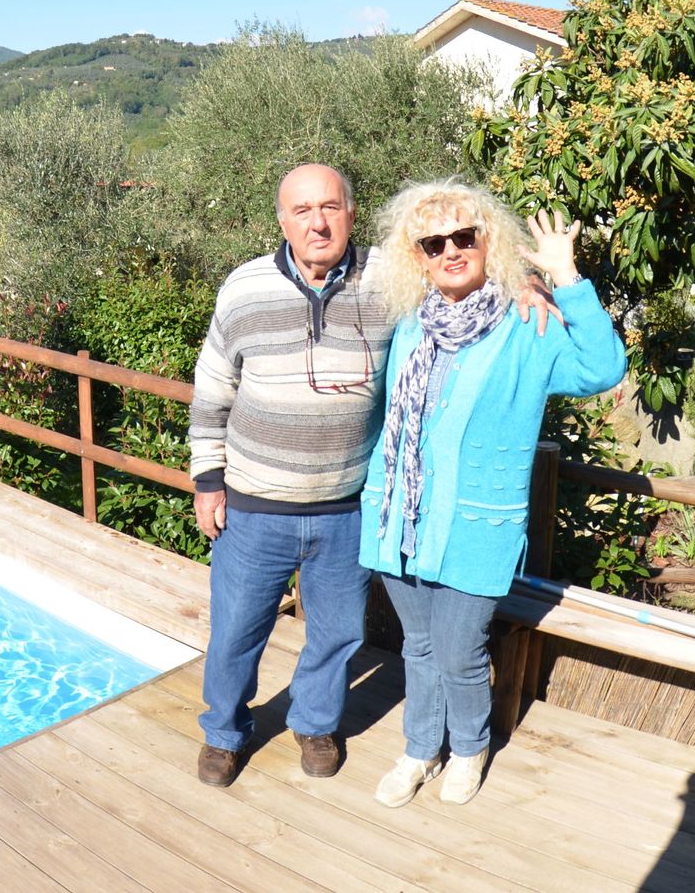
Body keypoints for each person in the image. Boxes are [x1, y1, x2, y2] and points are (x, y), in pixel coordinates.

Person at [188, 163, 550, 788]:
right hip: (254, 504)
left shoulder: (391, 278)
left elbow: (464, 267)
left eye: (330, 207)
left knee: (336, 634)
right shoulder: (243, 287)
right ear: (282, 221)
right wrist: (207, 480)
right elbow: (212, 391)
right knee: (236, 634)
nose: (318, 222)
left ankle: (315, 724)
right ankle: (223, 733)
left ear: (352, 214)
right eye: (302, 210)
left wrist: (533, 283)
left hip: (348, 506)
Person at [358, 180, 624, 808]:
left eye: (463, 236)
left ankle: (469, 748)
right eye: (433, 243)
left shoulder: (526, 323)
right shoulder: (409, 324)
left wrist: (563, 278)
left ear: (488, 241)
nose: (450, 250)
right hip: (400, 517)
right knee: (419, 646)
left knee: (459, 651)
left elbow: (603, 368)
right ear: (417, 256)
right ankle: (420, 749)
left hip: (476, 527)